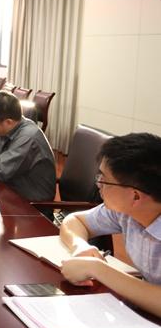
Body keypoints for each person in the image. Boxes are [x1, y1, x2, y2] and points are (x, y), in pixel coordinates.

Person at [59, 133, 161, 317]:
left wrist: (96, 268)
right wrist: (80, 246)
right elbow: (75, 221)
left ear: (135, 196)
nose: (98, 184)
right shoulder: (126, 211)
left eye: (104, 180)